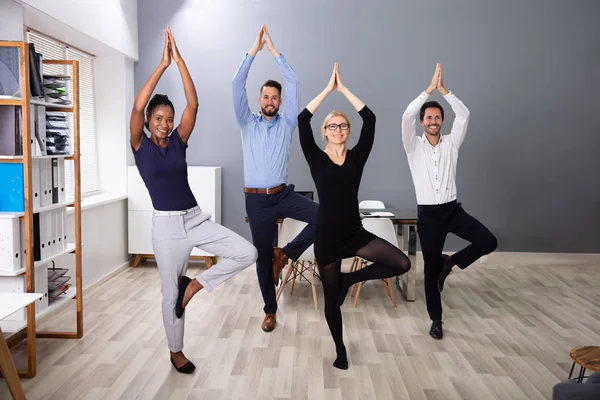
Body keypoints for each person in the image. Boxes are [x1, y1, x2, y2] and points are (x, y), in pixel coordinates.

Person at [130, 28, 257, 374]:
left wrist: (181, 61)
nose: (165, 124)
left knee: (248, 253)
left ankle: (197, 285)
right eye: (158, 119)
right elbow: (139, 103)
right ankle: (176, 351)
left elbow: (194, 104)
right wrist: (161, 65)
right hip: (166, 229)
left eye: (169, 120)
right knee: (169, 295)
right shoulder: (139, 146)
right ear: (147, 122)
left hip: (195, 219)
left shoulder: (177, 142)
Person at [298, 63, 411, 369]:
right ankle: (340, 349)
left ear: (348, 131)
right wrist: (327, 89)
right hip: (327, 239)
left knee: (401, 263)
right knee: (332, 301)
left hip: (355, 233)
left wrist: (344, 89)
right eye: (332, 126)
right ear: (325, 131)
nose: (338, 130)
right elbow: (302, 118)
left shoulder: (357, 157)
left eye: (342, 126)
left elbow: (370, 118)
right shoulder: (316, 158)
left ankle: (351, 279)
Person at [401, 63, 497, 340]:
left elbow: (464, 114)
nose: (433, 121)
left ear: (442, 120)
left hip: (452, 211)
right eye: (428, 118)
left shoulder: (452, 143)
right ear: (422, 122)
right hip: (429, 217)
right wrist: (428, 90)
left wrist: (445, 91)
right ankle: (436, 320)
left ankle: (451, 263)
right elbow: (406, 115)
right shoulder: (413, 146)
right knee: (430, 273)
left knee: (488, 241)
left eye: (437, 117)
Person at [232, 24, 318, 332]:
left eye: (274, 97)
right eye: (265, 96)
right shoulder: (246, 122)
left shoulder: (288, 123)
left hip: (282, 193)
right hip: (256, 200)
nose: (270, 100)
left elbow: (293, 81)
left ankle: (287, 254)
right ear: (260, 99)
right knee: (260, 256)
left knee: (326, 217)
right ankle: (270, 310)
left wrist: (274, 52)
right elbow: (235, 84)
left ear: (280, 101)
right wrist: (253, 52)